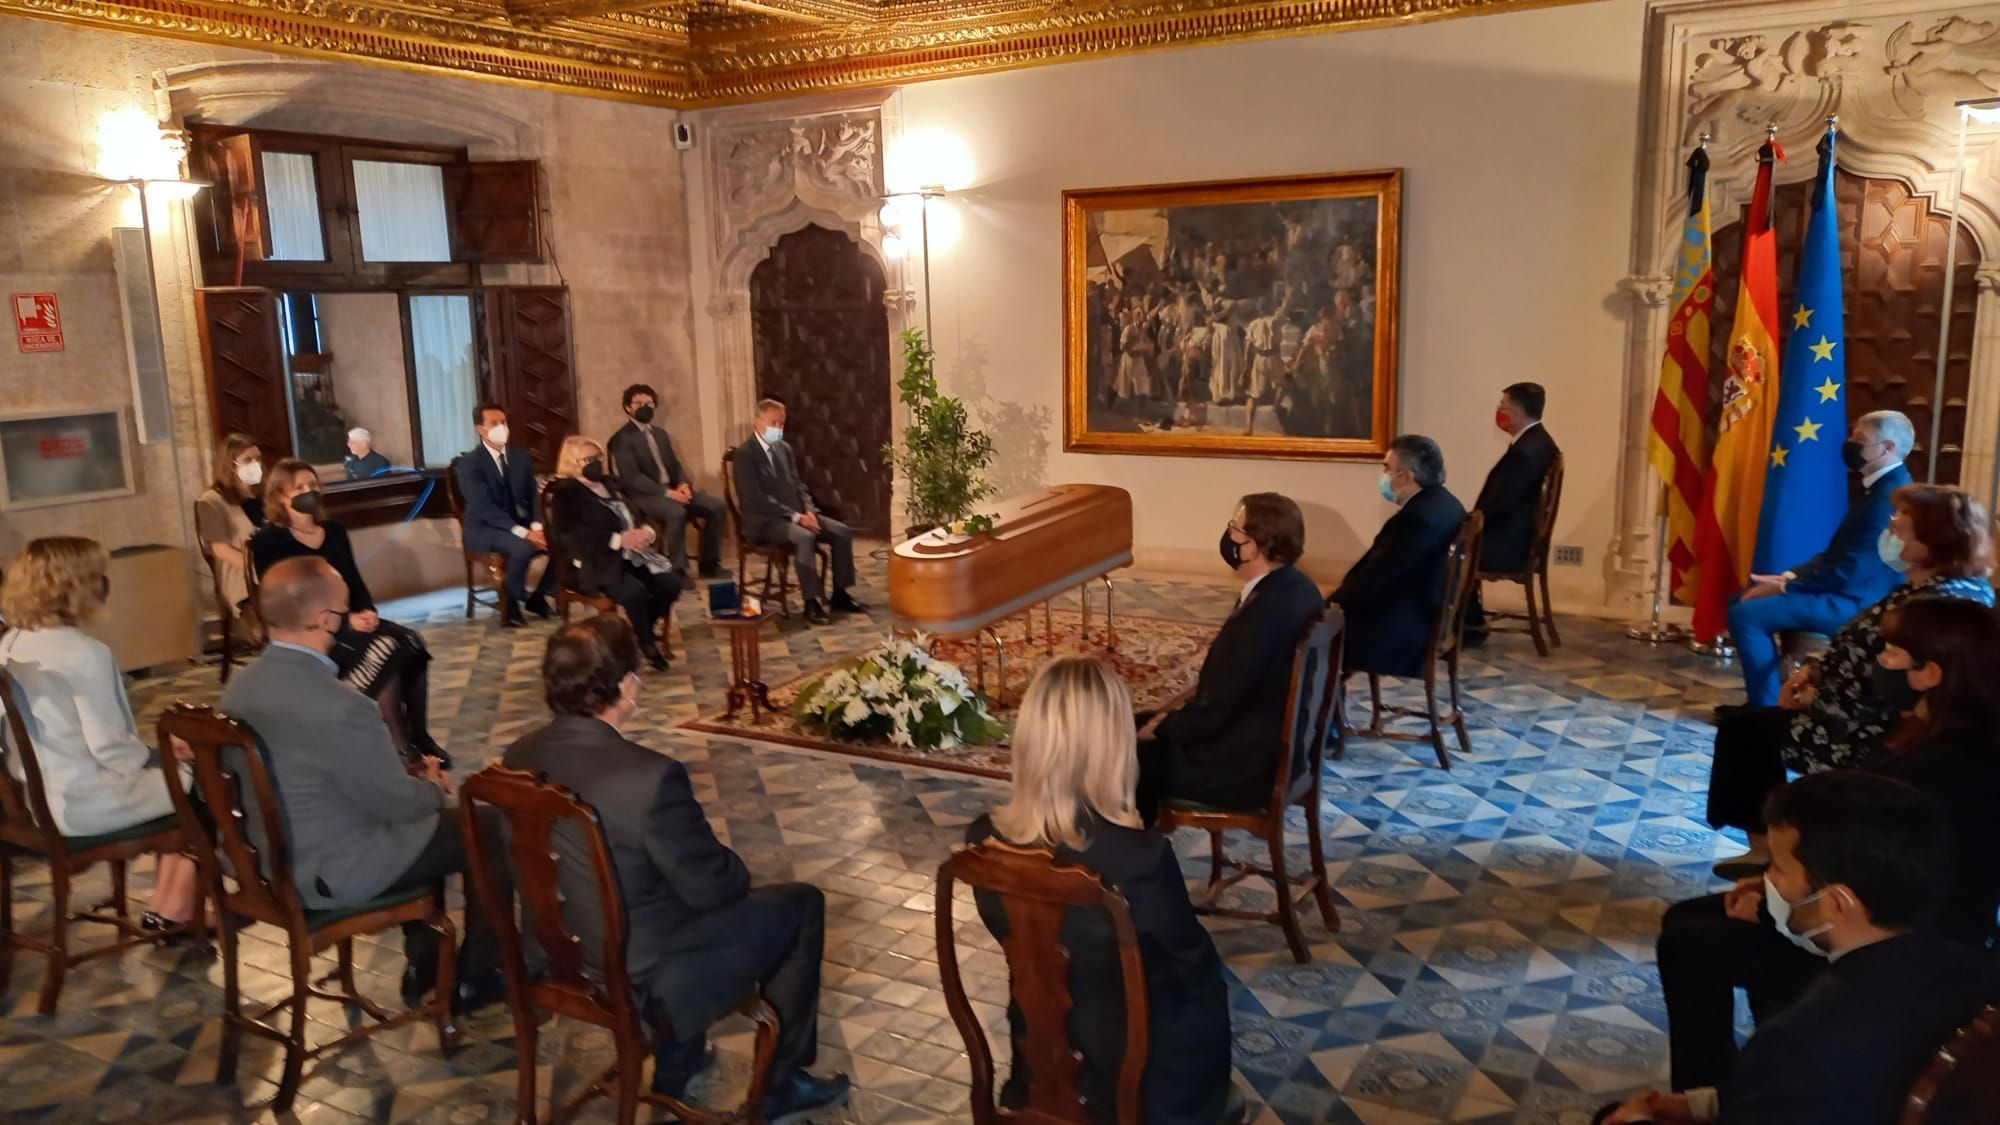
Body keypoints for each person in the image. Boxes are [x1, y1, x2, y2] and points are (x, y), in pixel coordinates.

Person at [501, 616, 849, 1118]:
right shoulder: (651, 778)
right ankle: (779, 1084)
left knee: (655, 896)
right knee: (799, 905)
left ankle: (679, 1062)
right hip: (640, 976)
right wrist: (726, 860)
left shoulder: (517, 755)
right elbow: (716, 888)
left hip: (554, 956)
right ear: (626, 687)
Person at [1657, 596, 2000, 1092]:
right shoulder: (1928, 729)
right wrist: (1775, 884)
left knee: (1691, 945)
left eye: (1891, 652)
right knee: (1686, 921)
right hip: (1874, 908)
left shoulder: (1948, 768)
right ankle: (1730, 1077)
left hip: (1902, 949)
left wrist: (1780, 906)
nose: (1878, 661)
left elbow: (1880, 879)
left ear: (1930, 673)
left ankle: (1710, 1091)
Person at [1605, 772, 1996, 1125]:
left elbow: (1810, 1082)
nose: (1767, 881)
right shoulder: (1975, 972)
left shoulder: (1796, 1046)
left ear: (1836, 903)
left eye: (1777, 868)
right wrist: (1703, 1104)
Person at [221, 556, 506, 1012]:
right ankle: (476, 975)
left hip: (266, 865)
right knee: (490, 828)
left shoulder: (238, 690)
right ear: (324, 619)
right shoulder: (344, 706)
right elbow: (395, 804)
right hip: (332, 872)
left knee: (427, 828)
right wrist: (432, 784)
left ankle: (425, 965)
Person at [967, 657, 1237, 1124]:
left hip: (1038, 1066)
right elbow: (1194, 969)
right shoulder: (1139, 857)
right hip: (1133, 1084)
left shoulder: (981, 840)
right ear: (1112, 745)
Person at [1705, 484, 1992, 877]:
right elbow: (1860, 645)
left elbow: (1900, 684)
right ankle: (1767, 848)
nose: (1890, 527)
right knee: (1745, 727)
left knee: (1746, 732)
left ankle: (1775, 852)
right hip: (1846, 710)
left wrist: (1817, 698)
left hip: (1869, 730)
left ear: (1933, 538)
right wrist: (1814, 670)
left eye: (1901, 522)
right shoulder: (1918, 586)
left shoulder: (1942, 605)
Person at [0, 537, 199, 932]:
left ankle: (169, 904)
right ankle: (176, 909)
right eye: (98, 575)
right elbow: (110, 749)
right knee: (212, 779)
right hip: (92, 802)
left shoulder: (10, 643)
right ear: (74, 586)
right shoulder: (85, 653)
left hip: (39, 800)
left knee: (179, 769)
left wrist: (154, 754)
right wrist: (161, 755)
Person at [250, 459, 450, 767]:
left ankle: (419, 736)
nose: (309, 492)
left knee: (411, 642)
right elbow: (289, 601)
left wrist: (367, 609)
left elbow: (353, 579)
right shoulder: (268, 542)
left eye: (313, 485)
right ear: (279, 495)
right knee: (387, 651)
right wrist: (345, 621)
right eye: (300, 488)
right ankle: (400, 747)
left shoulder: (334, 530)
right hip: (314, 631)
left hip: (351, 618)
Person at [1136, 493, 1323, 817]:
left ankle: (1129, 851)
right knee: (1127, 721)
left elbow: (1215, 710)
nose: (1229, 536)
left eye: (1234, 528)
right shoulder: (1300, 588)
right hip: (1277, 750)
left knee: (1114, 752)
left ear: (1252, 546)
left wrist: (1161, 728)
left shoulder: (1258, 617)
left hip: (1239, 768)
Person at [1726, 410, 1914, 706]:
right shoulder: (1878, 488)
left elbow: (1851, 571)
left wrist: (1787, 588)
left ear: (1888, 447)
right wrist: (1789, 577)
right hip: (1843, 592)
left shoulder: (1888, 497)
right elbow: (1833, 556)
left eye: (1860, 439)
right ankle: (1770, 698)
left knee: (1746, 614)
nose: (1850, 442)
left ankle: (1766, 709)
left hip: (1856, 602)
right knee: (1740, 600)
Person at [1328, 435, 1469, 679]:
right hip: (1427, 615)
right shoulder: (1448, 503)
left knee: (1310, 633)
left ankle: (1318, 710)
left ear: (1406, 476)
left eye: (1387, 467)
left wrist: (1331, 604)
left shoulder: (1414, 520)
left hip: (1403, 631)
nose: (1383, 474)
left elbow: (1374, 581)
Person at [547, 435, 682, 671]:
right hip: (595, 560)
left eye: (597, 458)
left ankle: (638, 632)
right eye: (587, 459)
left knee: (670, 584)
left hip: (633, 555)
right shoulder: (566, 493)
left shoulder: (613, 484)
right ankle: (647, 644)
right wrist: (618, 540)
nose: (595, 463)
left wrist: (647, 532)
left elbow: (639, 513)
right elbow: (571, 535)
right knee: (635, 592)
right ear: (572, 463)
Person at [731, 398, 866, 627]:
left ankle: (840, 594)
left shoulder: (784, 449)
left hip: (797, 514)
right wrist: (797, 518)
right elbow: (756, 499)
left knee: (841, 532)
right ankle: (810, 601)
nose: (778, 428)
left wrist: (809, 510)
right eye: (773, 423)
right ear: (757, 421)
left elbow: (798, 485)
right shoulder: (745, 455)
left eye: (781, 424)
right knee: (805, 537)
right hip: (765, 522)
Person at [1466, 382, 1560, 643]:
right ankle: (1469, 621)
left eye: (1503, 407)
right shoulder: (1539, 441)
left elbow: (1499, 503)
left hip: (1510, 544)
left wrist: (1468, 523)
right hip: (1520, 537)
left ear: (1517, 412)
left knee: (1449, 547)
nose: (1499, 412)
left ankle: (1468, 627)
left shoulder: (1525, 452)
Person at [606, 384, 726, 579]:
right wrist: (669, 494)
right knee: (676, 512)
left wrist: (684, 485)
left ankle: (710, 564)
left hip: (673, 489)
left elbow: (675, 465)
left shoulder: (660, 434)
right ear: (628, 407)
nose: (645, 407)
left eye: (649, 403)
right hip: (644, 495)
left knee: (717, 506)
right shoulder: (621, 439)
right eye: (638, 403)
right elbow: (633, 478)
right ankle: (677, 570)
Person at [456, 403, 555, 628]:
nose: (502, 427)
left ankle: (538, 597)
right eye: (494, 423)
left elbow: (532, 495)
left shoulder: (520, 457)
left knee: (560, 541)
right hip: (484, 528)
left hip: (520, 524)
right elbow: (484, 507)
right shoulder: (470, 464)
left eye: (504, 422)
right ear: (481, 429)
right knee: (523, 547)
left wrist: (537, 527)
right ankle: (510, 604)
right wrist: (524, 533)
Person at [194, 432, 267, 645]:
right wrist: (260, 570)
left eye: (258, 459)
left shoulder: (263, 496)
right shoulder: (211, 501)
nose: (255, 465)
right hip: (242, 578)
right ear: (230, 464)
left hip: (274, 572)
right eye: (248, 460)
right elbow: (220, 549)